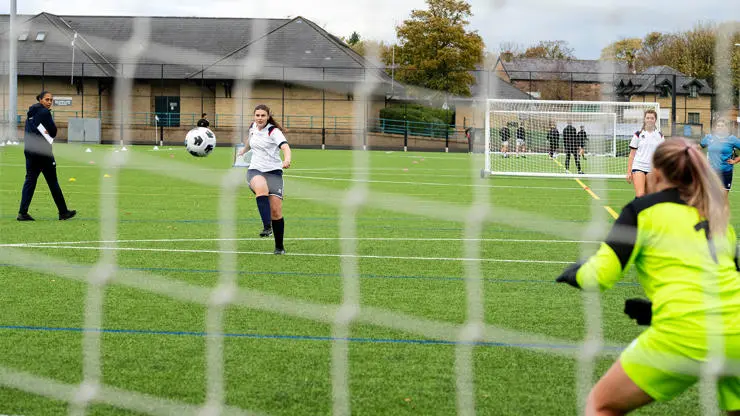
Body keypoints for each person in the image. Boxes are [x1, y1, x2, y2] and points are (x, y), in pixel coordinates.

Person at [556, 138, 740, 416]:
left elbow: (599, 276)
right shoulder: (717, 217)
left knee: (601, 405)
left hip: (685, 332)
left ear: (656, 173)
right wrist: (658, 311)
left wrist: (574, 272)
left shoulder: (641, 211)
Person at [238, 104, 291, 255]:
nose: (259, 118)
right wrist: (243, 150)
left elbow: (285, 147)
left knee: (276, 211)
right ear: (254, 116)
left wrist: (287, 160)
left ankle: (279, 247)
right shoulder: (253, 127)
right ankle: (267, 226)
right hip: (255, 170)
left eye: (263, 116)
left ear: (268, 117)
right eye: (257, 115)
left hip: (274, 172)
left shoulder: (274, 132)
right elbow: (250, 140)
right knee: (261, 187)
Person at [17, 91, 76, 221]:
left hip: (30, 151)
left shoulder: (31, 114)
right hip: (43, 152)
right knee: (53, 181)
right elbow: (53, 132)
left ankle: (22, 212)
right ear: (40, 100)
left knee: (30, 181)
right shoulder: (44, 112)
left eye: (51, 100)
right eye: (47, 99)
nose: (49, 102)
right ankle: (63, 212)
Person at [627, 109, 664, 197]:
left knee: (650, 196)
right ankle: (636, 210)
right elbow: (632, 154)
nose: (650, 120)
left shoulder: (660, 136)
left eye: (652, 118)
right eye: (647, 118)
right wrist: (629, 171)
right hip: (638, 166)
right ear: (644, 119)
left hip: (652, 169)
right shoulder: (638, 134)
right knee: (640, 195)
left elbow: (662, 156)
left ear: (655, 120)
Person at [700, 118, 740, 194]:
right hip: (711, 172)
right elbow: (698, 147)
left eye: (722, 126)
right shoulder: (709, 138)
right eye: (718, 125)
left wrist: (735, 160)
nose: (720, 127)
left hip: (726, 172)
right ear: (715, 127)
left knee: (723, 198)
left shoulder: (732, 139)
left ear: (726, 128)